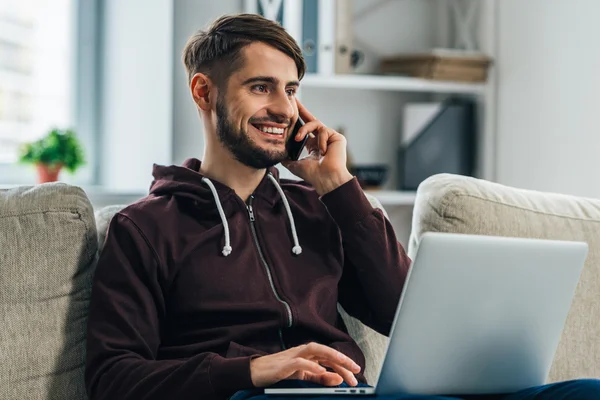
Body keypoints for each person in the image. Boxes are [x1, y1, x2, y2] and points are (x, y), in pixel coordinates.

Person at [84, 13, 600, 400]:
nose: (284, 109)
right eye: (260, 87)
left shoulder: (317, 208)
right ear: (204, 92)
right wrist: (256, 369)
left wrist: (338, 187)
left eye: (291, 90)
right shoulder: (146, 227)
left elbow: (406, 314)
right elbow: (112, 377)